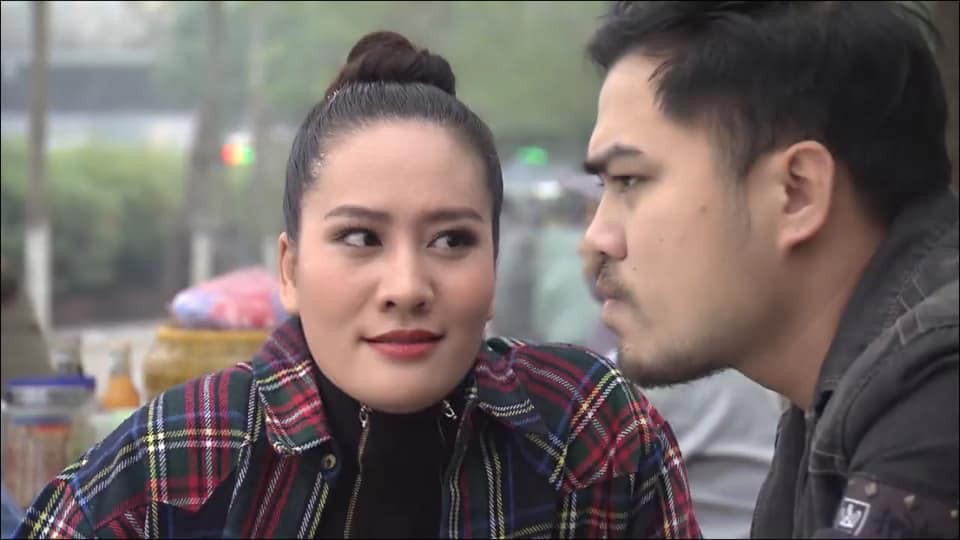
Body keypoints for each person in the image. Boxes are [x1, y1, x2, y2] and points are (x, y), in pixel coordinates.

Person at [15, 31, 700, 539]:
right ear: (290, 270)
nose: (406, 287)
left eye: (451, 241)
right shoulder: (176, 463)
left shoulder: (592, 431)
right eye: (360, 238)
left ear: (494, 268)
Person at [579, 2, 958, 538]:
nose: (597, 239)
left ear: (796, 192)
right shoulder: (826, 406)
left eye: (630, 180)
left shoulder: (936, 386)